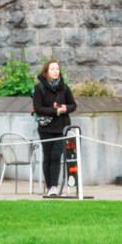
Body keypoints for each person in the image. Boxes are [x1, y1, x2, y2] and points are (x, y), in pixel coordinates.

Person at [31, 60, 77, 197]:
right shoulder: (39, 88)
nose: (56, 71)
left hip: (61, 127)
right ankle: (49, 186)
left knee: (56, 155)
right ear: (46, 72)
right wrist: (55, 111)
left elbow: (73, 105)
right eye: (52, 69)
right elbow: (38, 108)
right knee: (48, 157)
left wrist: (65, 108)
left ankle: (54, 187)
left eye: (57, 69)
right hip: (46, 128)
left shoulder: (64, 87)